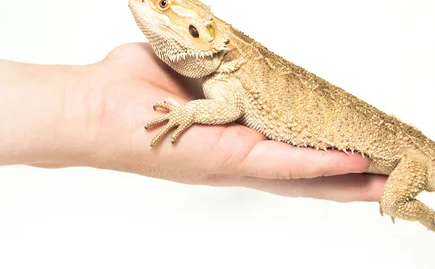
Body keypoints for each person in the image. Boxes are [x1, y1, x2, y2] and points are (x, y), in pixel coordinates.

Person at [0, 43, 385, 203]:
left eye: (165, 6)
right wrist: (93, 106)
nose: (152, 7)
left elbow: (224, 111)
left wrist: (185, 112)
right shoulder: (216, 79)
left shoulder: (222, 80)